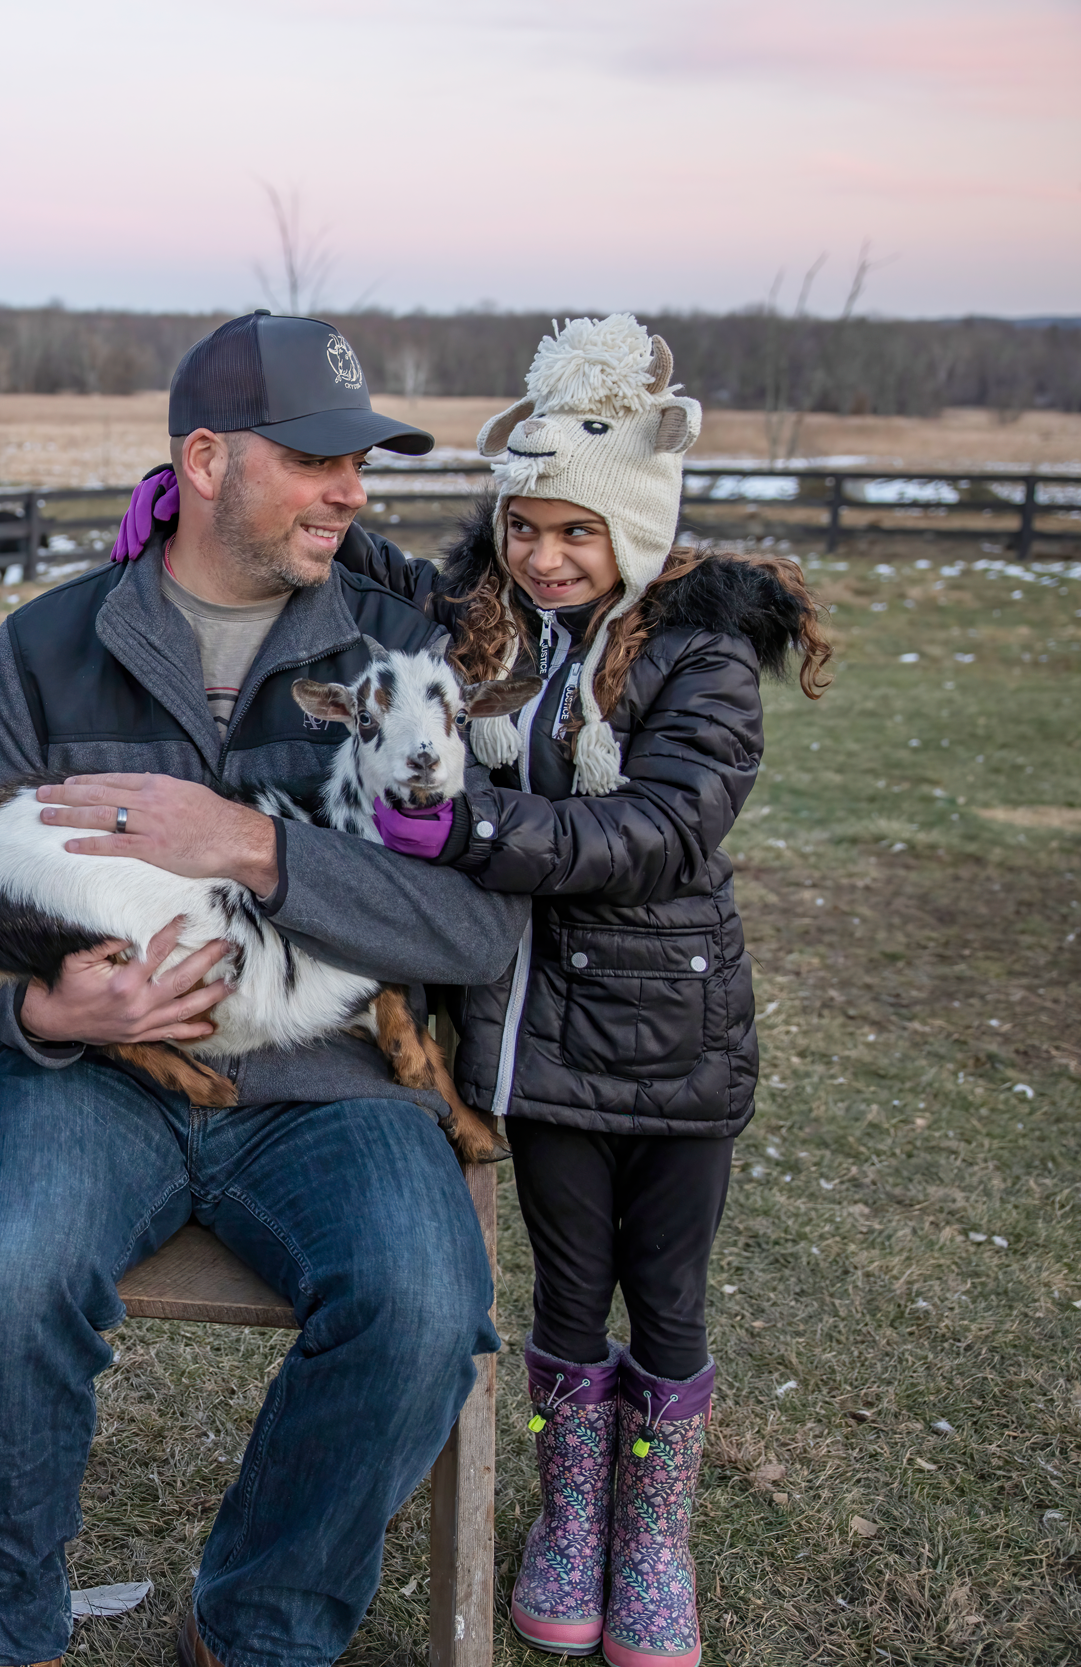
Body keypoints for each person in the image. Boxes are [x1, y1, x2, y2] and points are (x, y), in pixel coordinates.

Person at [0, 310, 531, 1667]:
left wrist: (255, 844)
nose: (353, 491)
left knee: (427, 1305)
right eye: (317, 459)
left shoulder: (396, 655)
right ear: (204, 458)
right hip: (92, 1076)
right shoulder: (48, 646)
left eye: (361, 462)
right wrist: (38, 1013)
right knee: (13, 1275)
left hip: (328, 1086)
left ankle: (255, 1631)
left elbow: (476, 926)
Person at [337, 315, 833, 1667]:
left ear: (633, 527)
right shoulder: (492, 625)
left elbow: (666, 831)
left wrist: (476, 834)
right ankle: (570, 1508)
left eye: (576, 532)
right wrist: (263, 515)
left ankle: (651, 1533)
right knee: (566, 1289)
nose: (544, 557)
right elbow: (377, 573)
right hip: (531, 1033)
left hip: (669, 1030)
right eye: (525, 527)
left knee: (665, 1287)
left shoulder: (699, 655)